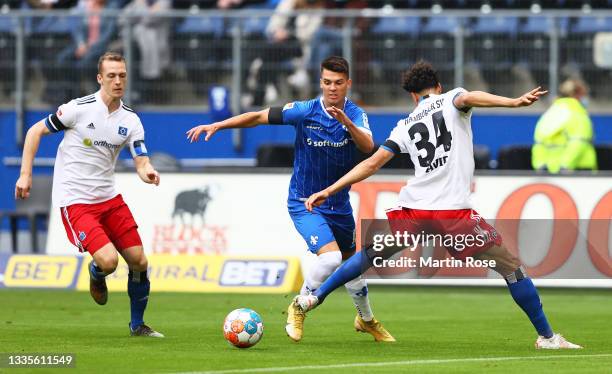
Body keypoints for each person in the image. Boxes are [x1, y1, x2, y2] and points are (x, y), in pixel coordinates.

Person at [289, 61, 582, 350]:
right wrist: (514, 102)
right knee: (511, 268)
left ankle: (314, 297)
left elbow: (371, 163)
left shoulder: (405, 125)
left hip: (415, 211)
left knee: (371, 253)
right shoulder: (451, 99)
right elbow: (468, 97)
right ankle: (547, 337)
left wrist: (329, 189)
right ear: (437, 87)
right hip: (452, 213)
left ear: (412, 95)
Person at [186, 56, 395, 343]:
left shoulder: (356, 115)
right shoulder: (305, 111)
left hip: (338, 204)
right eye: (326, 82)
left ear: (348, 84)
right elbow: (259, 117)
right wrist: (219, 125)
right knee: (332, 257)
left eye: (337, 83)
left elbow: (368, 146)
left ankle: (366, 319)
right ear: (320, 83)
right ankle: (299, 305)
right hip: (304, 201)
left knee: (351, 267)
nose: (332, 88)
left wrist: (347, 123)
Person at [15, 52, 164, 338]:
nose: (118, 80)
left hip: (109, 199)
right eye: (111, 75)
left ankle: (138, 325)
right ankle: (97, 273)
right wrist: (25, 174)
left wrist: (147, 172)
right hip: (77, 202)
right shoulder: (77, 109)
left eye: (122, 75)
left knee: (139, 261)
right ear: (100, 78)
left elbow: (141, 159)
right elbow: (34, 132)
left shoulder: (131, 120)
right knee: (109, 262)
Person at [532, 78, 597, 173]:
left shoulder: (548, 114)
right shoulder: (578, 114)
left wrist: (540, 166)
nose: (585, 98)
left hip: (550, 170)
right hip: (578, 170)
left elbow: (539, 143)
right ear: (577, 95)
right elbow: (579, 142)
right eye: (584, 95)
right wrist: (565, 167)